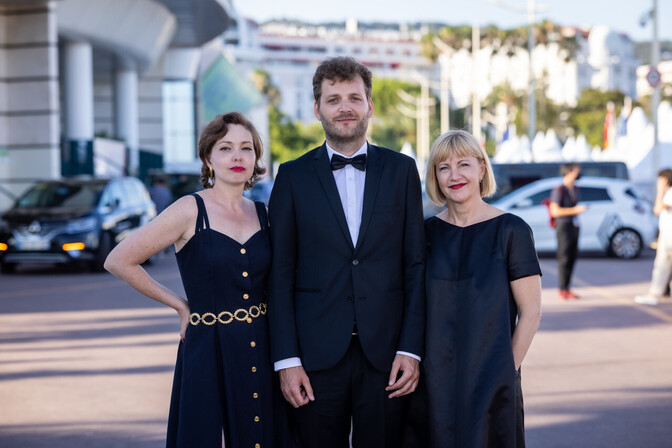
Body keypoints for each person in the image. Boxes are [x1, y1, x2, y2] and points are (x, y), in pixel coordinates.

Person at [105, 112, 291, 447]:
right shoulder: (189, 210)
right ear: (208, 158)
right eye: (225, 148)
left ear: (255, 158)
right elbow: (119, 259)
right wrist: (179, 305)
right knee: (203, 434)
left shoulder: (265, 213)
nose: (237, 156)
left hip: (262, 344)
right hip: (207, 345)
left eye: (246, 148)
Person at [267, 56, 425, 447]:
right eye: (333, 99)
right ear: (317, 109)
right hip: (314, 358)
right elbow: (280, 274)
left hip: (387, 356)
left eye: (354, 97)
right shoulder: (291, 177)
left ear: (370, 105)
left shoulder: (403, 170)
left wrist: (411, 349)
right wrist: (287, 361)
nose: (345, 107)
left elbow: (415, 266)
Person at [416, 130, 542, 447]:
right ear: (434, 177)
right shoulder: (425, 234)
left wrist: (506, 370)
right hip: (434, 383)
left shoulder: (512, 230)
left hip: (493, 380)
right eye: (443, 167)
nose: (454, 175)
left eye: (464, 164)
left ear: (482, 169)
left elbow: (531, 311)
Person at [549, 162, 587, 299]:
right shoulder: (559, 190)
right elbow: (555, 211)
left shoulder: (576, 189)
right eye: (576, 170)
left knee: (572, 257)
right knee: (564, 258)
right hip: (563, 226)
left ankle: (568, 287)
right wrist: (574, 210)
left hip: (575, 225)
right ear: (569, 172)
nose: (579, 173)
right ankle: (562, 288)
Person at [635, 168, 672, 305]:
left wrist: (660, 191)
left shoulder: (670, 193)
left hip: (670, 238)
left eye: (660, 180)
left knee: (662, 266)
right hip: (666, 236)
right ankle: (655, 293)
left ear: (666, 180)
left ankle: (655, 294)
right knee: (661, 266)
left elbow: (658, 208)